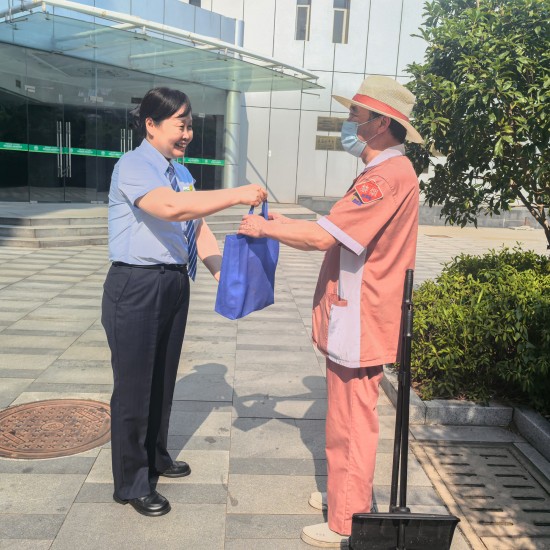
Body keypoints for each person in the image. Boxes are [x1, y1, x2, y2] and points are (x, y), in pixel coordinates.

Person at [238, 75, 423, 547]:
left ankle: (347, 518)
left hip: (360, 314)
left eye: (355, 115)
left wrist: (266, 230)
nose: (348, 123)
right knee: (347, 416)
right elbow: (334, 228)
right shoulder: (386, 172)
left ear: (381, 123)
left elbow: (323, 238)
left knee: (351, 421)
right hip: (359, 311)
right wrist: (284, 222)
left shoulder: (384, 177)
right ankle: (346, 498)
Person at [102, 87, 267, 517]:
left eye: (191, 125)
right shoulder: (132, 166)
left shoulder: (182, 172)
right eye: (181, 124)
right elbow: (172, 208)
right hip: (136, 284)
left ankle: (155, 456)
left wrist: (224, 276)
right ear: (151, 125)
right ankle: (131, 482)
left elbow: (197, 228)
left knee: (162, 380)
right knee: (134, 387)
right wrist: (236, 193)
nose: (188, 133)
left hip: (174, 283)